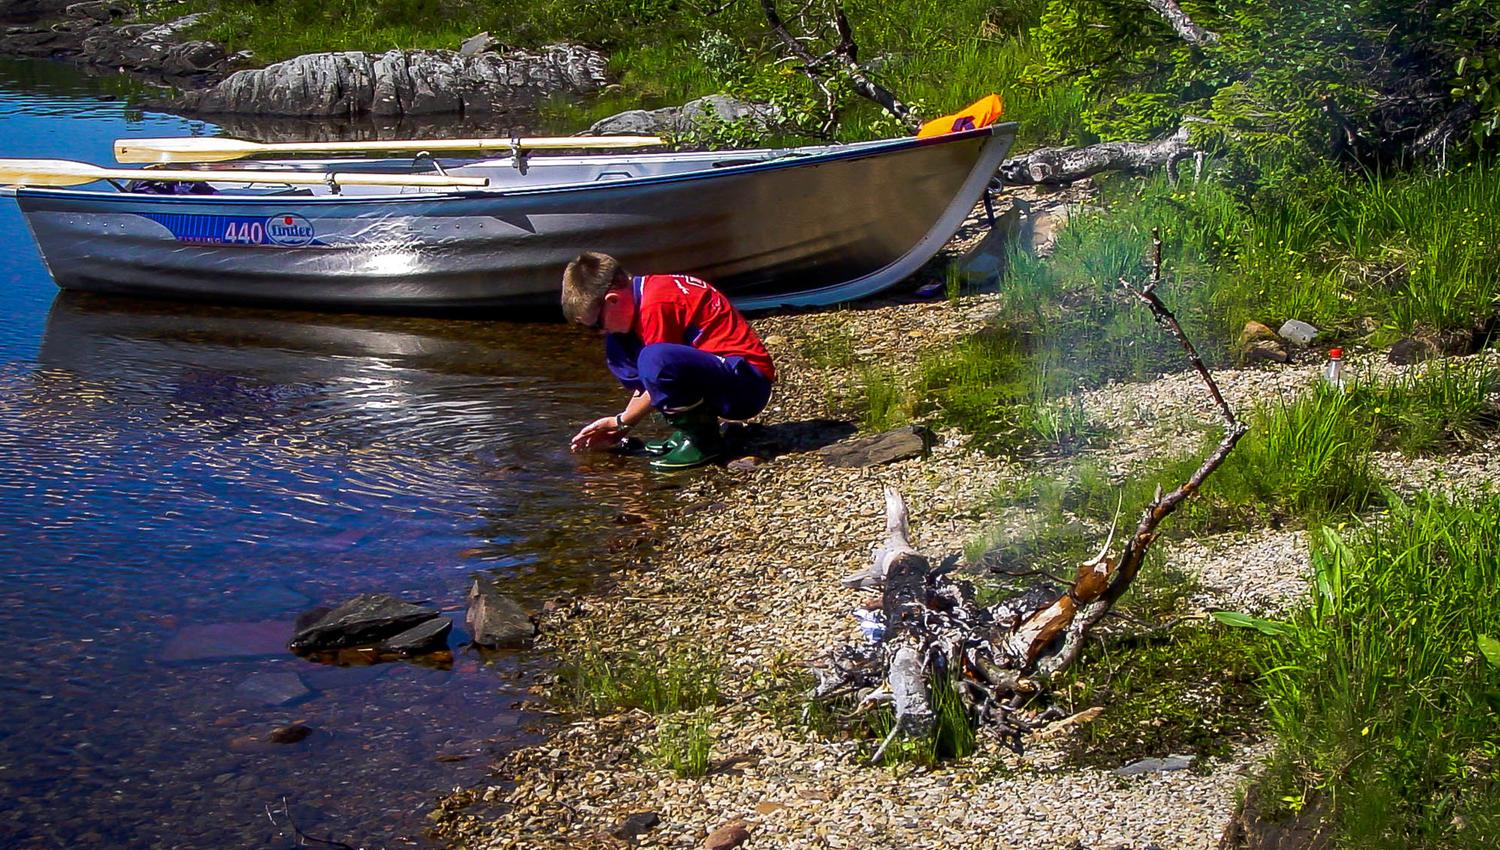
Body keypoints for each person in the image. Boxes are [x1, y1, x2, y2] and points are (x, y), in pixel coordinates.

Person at [561, 251, 776, 470]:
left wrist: (621, 422)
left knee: (654, 360)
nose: (600, 332)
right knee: (619, 348)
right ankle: (694, 430)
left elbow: (658, 373)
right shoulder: (643, 298)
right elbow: (649, 386)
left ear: (613, 300)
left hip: (747, 385)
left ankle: (703, 441)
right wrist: (620, 426)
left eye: (597, 325)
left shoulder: (656, 304)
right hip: (719, 375)